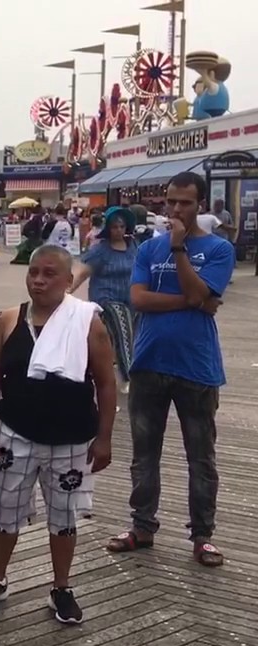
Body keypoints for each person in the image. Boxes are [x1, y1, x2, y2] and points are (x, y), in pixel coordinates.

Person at [0, 245, 116, 624]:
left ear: (68, 281)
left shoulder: (87, 322)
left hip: (72, 438)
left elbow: (106, 383)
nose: (39, 281)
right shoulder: (10, 320)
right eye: (33, 272)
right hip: (16, 433)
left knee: (64, 517)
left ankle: (61, 586)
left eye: (49, 274)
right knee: (4, 510)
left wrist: (105, 437)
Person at [106, 171, 235, 568]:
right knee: (144, 455)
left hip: (197, 367)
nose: (176, 210)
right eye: (171, 202)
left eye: (185, 203)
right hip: (147, 363)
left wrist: (180, 252)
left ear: (201, 205)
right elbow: (140, 300)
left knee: (201, 457)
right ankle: (142, 526)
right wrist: (193, 301)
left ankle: (202, 536)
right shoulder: (148, 249)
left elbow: (201, 292)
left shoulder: (218, 249)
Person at [69, 206, 137, 386]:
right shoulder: (101, 251)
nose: (118, 231)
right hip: (106, 298)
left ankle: (100, 369)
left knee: (130, 334)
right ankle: (130, 377)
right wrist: (67, 292)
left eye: (122, 227)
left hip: (130, 298)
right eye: (114, 227)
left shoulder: (133, 247)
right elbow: (83, 272)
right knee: (123, 326)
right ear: (108, 228)